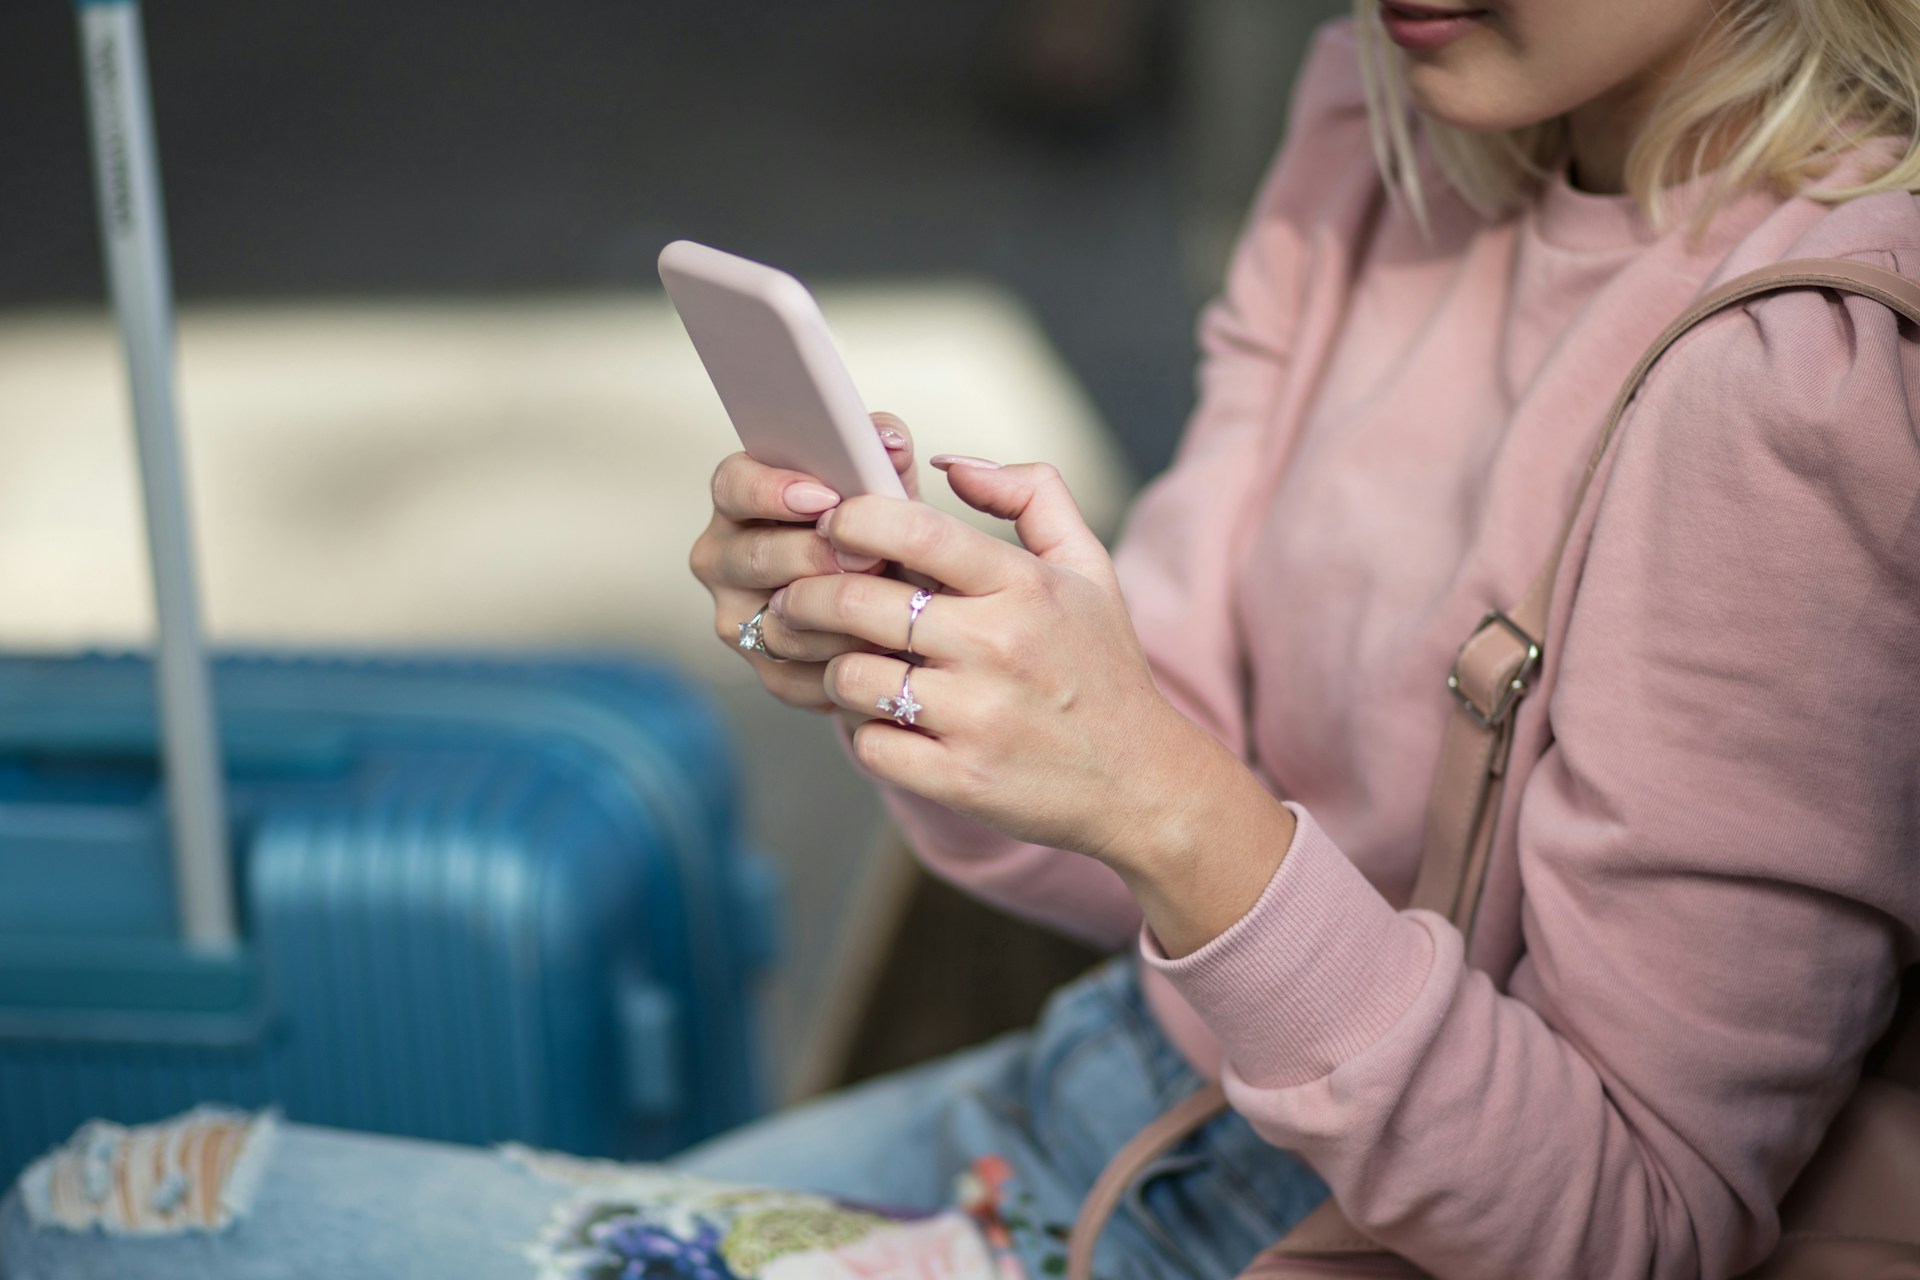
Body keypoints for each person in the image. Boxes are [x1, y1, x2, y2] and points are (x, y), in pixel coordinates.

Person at [5, 1, 1917, 1276]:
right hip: (1095, 1100)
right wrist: (950, 660)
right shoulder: (1377, 117)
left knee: (133, 1221)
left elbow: (1642, 1219)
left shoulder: (1801, 376)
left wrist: (1167, 805)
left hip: (1301, 1229)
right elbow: (1154, 775)